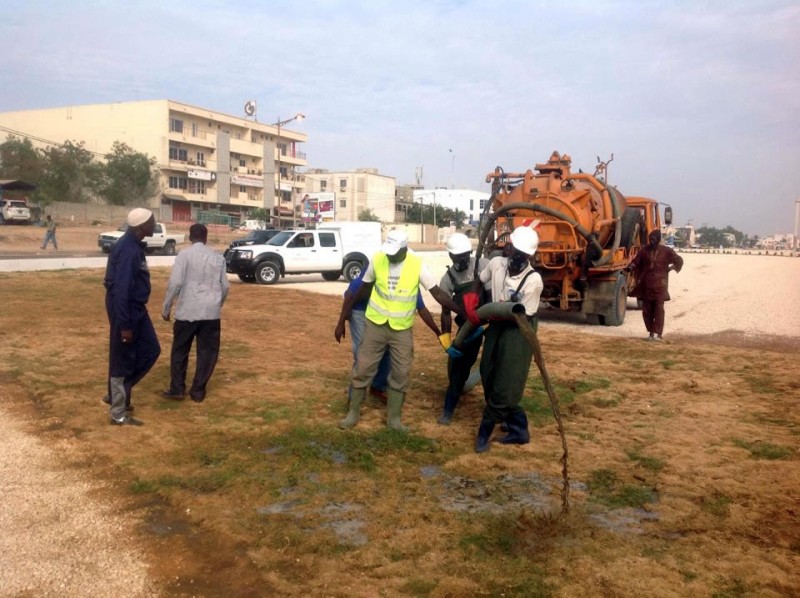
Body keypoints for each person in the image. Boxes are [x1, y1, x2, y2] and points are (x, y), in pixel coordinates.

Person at [334, 230, 464, 431]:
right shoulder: (378, 259)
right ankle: (353, 413)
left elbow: (436, 294)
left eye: (394, 251)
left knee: (401, 373)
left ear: (404, 249)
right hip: (374, 325)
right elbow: (360, 291)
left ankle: (394, 420)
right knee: (363, 368)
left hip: (401, 330)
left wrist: (460, 311)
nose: (390, 255)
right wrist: (342, 319)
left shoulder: (416, 265)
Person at [465, 226, 543, 453]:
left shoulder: (533, 280)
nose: (516, 256)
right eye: (514, 250)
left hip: (518, 329)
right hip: (496, 324)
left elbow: (521, 316)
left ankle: (484, 433)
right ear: (508, 247)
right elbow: (480, 280)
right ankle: (519, 429)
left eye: (522, 254)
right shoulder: (496, 263)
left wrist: (490, 311)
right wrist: (473, 297)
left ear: (529, 256)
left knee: (506, 382)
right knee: (488, 371)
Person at [102, 208, 161, 426]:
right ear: (141, 226)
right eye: (152, 221)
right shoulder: (128, 250)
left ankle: (118, 391)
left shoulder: (133, 245)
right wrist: (124, 324)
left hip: (135, 308)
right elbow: (122, 290)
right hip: (126, 309)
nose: (154, 224)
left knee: (151, 349)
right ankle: (118, 412)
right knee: (123, 359)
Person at [337, 269, 430, 402]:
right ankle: (354, 398)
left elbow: (421, 307)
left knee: (386, 350)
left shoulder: (407, 277)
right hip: (359, 310)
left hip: (379, 313)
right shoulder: (375, 268)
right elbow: (349, 295)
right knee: (362, 352)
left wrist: (438, 332)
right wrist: (341, 322)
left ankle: (378, 386)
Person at [161, 223, 229, 403]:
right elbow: (225, 286)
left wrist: (167, 307)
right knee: (207, 353)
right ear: (206, 237)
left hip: (187, 311)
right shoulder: (217, 257)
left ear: (190, 237)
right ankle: (198, 390)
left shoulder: (184, 255)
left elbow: (175, 283)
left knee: (180, 351)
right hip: (211, 313)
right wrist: (217, 304)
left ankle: (177, 388)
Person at [436, 233, 490, 425]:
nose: (463, 260)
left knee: (492, 366)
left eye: (465, 255)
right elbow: (445, 312)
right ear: (450, 256)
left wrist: (488, 324)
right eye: (458, 257)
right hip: (468, 331)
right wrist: (447, 340)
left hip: (489, 324)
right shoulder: (448, 278)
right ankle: (448, 410)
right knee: (459, 369)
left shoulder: (483, 265)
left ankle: (495, 410)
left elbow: (492, 297)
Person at [628, 230, 684, 341]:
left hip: (660, 285)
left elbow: (679, 260)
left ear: (658, 240)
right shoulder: (644, 250)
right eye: (650, 239)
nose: (651, 241)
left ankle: (658, 334)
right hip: (647, 285)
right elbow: (636, 261)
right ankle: (650, 333)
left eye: (653, 239)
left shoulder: (666, 251)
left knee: (659, 310)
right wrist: (631, 266)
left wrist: (670, 268)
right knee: (647, 310)